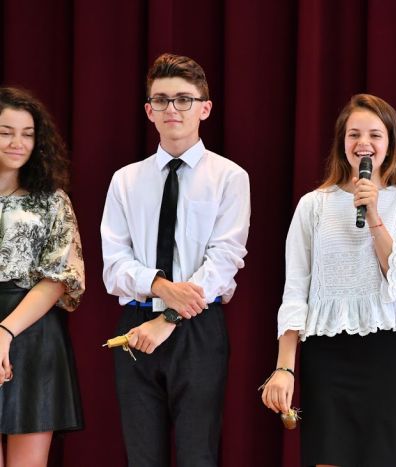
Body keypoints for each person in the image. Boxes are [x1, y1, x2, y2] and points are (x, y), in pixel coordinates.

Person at [260, 93, 396, 467]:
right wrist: (284, 367)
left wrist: (374, 215)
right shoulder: (313, 205)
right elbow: (296, 290)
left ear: (391, 142)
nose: (363, 143)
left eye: (375, 134)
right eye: (354, 134)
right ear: (342, 142)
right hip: (327, 355)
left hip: (386, 353)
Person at [101, 53, 250, 466]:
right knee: (142, 457)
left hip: (199, 328)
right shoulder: (126, 180)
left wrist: (170, 316)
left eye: (184, 99)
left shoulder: (230, 177)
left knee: (197, 455)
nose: (173, 109)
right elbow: (114, 265)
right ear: (149, 111)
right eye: (162, 100)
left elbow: (225, 258)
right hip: (136, 325)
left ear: (205, 108)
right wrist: (161, 288)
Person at [0, 87, 84, 466]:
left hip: (33, 332)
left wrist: (5, 332)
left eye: (28, 133)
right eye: (6, 132)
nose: (18, 142)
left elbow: (60, 277)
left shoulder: (52, 200)